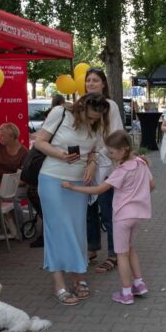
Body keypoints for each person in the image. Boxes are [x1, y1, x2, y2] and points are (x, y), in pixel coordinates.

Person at [33, 93, 111, 305]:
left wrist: (92, 163)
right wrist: (60, 155)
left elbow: (93, 150)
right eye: (91, 117)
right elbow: (39, 142)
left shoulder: (96, 124)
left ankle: (77, 274)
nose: (93, 121)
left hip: (78, 184)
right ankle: (59, 283)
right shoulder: (60, 113)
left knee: (77, 229)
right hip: (53, 179)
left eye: (97, 118)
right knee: (57, 229)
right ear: (81, 109)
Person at [62, 131, 154, 305]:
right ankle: (139, 284)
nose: (110, 156)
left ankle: (126, 293)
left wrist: (73, 188)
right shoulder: (141, 163)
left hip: (122, 217)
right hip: (138, 215)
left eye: (112, 152)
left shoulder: (121, 170)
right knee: (131, 249)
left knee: (121, 255)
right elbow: (152, 185)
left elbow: (98, 190)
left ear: (123, 149)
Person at [83, 68, 124, 274]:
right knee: (89, 212)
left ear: (103, 84)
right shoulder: (82, 105)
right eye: (88, 80)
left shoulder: (110, 106)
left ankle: (114, 254)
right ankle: (91, 248)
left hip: (106, 165)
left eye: (95, 80)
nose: (91, 83)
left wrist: (96, 155)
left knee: (108, 211)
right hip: (86, 164)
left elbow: (114, 135)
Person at [27, 95, 66, 249]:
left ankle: (49, 234)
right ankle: (49, 233)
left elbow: (43, 142)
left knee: (44, 200)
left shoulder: (57, 121)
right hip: (45, 165)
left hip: (47, 165)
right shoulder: (56, 120)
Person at [0, 122, 29, 235]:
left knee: (9, 197)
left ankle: (20, 227)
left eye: (2, 135)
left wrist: (9, 185)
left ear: (12, 137)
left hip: (16, 184)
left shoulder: (23, 153)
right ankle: (0, 226)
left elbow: (24, 178)